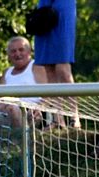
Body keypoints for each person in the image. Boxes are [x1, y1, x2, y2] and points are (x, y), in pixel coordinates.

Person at [0, 36, 47, 128]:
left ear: (29, 52)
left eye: (21, 50)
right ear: (8, 55)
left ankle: (19, 140)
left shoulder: (36, 67)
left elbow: (47, 95)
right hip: (7, 111)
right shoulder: (6, 72)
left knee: (13, 108)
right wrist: (2, 106)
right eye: (13, 51)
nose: (17, 54)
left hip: (32, 113)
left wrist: (39, 108)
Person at [33, 0, 80, 128]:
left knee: (63, 67)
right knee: (48, 67)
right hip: (44, 4)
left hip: (64, 4)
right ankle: (57, 119)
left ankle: (74, 117)